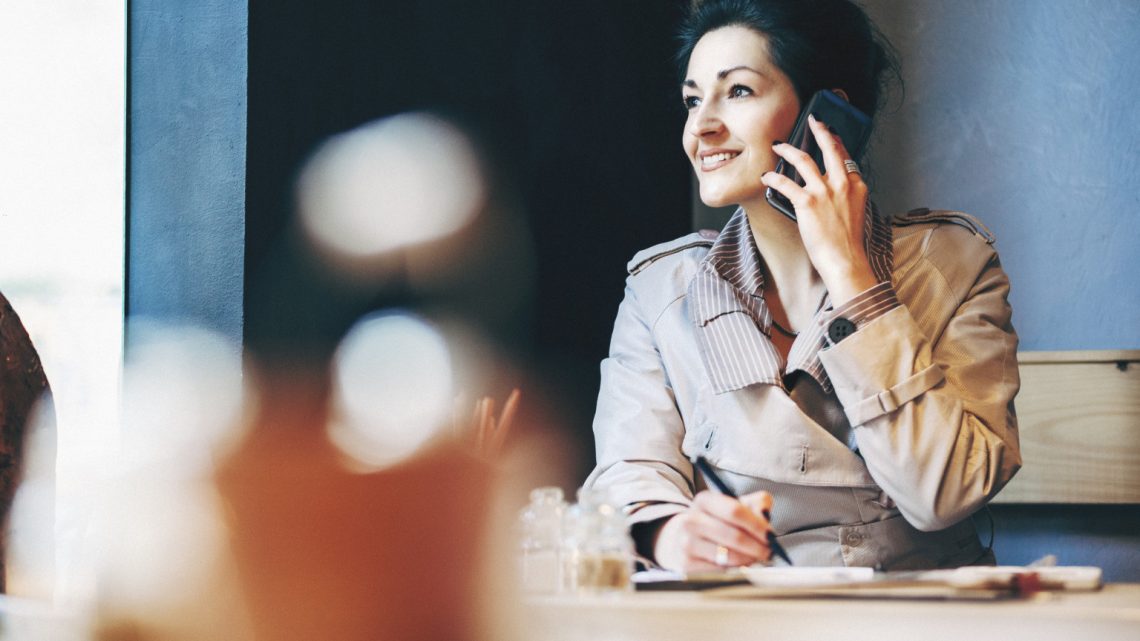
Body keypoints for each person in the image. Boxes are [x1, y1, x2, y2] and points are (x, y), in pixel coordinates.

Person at [586, 0, 1021, 572]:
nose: (702, 125)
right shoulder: (661, 287)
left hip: (919, 614)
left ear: (825, 115)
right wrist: (669, 533)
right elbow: (628, 471)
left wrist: (853, 278)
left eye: (738, 91)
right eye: (694, 98)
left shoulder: (954, 264)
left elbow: (943, 493)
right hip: (741, 618)